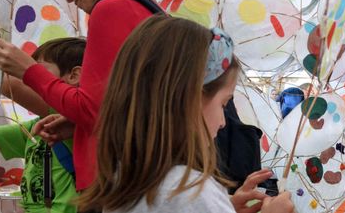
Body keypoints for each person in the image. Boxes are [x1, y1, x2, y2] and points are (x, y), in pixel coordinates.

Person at [0, 0, 164, 191]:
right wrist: (76, 122)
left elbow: (90, 108)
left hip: (113, 180)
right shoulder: (147, 12)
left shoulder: (110, 8)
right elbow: (120, 106)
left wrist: (28, 69)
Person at [75, 16, 291, 213]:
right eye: (223, 104)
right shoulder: (193, 192)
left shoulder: (123, 180)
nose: (224, 122)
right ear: (190, 101)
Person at [0, 37, 85, 213]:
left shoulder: (75, 123)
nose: (29, 76)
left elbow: (12, 86)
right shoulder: (36, 126)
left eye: (38, 70)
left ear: (74, 76)